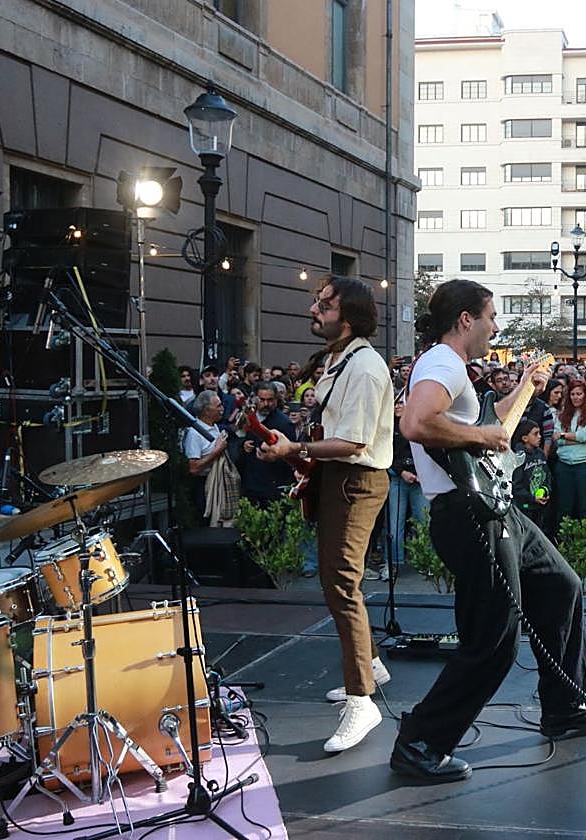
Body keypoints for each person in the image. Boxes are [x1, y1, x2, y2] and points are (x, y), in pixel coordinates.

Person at [392, 279, 586, 783]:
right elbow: (416, 423)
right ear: (465, 319)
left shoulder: (451, 368)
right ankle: (421, 741)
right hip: (469, 517)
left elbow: (495, 429)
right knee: (494, 640)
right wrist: (479, 434)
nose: (495, 325)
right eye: (490, 316)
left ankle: (564, 706)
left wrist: (526, 385)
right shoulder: (443, 363)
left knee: (560, 585)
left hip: (493, 510)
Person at [257, 275, 394, 754]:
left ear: (348, 317)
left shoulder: (365, 367)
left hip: (356, 481)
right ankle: (370, 667)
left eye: (325, 305)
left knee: (341, 584)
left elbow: (353, 442)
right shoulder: (341, 359)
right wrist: (297, 449)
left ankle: (362, 700)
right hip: (340, 479)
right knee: (338, 582)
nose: (313, 310)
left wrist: (295, 448)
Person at [384, 398, 429, 567]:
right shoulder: (388, 426)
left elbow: (428, 451)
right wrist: (402, 471)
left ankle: (425, 563)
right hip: (397, 477)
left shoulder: (419, 424)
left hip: (420, 479)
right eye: (394, 403)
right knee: (394, 526)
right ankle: (394, 563)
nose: (397, 406)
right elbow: (386, 454)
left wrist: (421, 473)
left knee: (423, 523)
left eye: (400, 403)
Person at [236, 381, 296, 506]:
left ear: (276, 400)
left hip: (273, 485)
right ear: (255, 399)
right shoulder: (248, 417)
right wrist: (244, 445)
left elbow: (292, 454)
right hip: (251, 484)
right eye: (262, 400)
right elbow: (237, 438)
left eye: (270, 400)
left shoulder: (284, 423)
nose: (266, 404)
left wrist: (274, 454)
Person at [553, 379, 586, 524]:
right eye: (573, 394)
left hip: (585, 465)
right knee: (564, 507)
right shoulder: (562, 414)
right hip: (564, 465)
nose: (576, 397)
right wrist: (574, 438)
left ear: (585, 394)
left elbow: (585, 436)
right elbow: (556, 439)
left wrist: (564, 435)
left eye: (579, 394)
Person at [184, 390, 228, 515]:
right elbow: (193, 468)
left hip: (218, 482)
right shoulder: (194, 434)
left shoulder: (214, 426)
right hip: (203, 487)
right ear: (207, 411)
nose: (222, 409)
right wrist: (217, 451)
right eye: (218, 406)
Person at [511, 418, 551, 534]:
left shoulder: (540, 454)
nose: (540, 437)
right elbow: (516, 486)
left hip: (541, 506)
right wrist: (532, 498)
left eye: (540, 433)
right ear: (525, 438)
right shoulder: (518, 457)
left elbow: (547, 475)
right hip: (525, 507)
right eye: (535, 434)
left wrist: (546, 490)